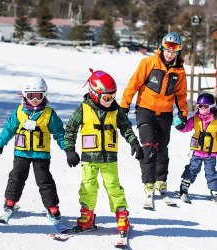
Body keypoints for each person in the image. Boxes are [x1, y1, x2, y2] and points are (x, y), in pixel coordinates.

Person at [64, 69, 143, 233]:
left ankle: (122, 216)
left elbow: (126, 128)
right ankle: (87, 217)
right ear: (94, 94)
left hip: (109, 159)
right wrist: (70, 150)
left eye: (113, 96)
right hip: (89, 158)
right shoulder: (83, 109)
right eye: (107, 97)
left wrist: (134, 142)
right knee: (88, 187)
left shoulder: (116, 110)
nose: (110, 100)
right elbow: (70, 129)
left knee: (114, 187)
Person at [120, 32, 188, 199]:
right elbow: (133, 84)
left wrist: (183, 114)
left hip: (165, 113)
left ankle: (160, 179)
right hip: (145, 110)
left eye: (175, 50)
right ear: (162, 47)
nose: (170, 53)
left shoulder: (179, 71)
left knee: (162, 147)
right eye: (168, 49)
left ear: (178, 51)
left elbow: (181, 95)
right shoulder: (149, 62)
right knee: (149, 145)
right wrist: (124, 106)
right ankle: (148, 182)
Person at [0, 76, 66, 226]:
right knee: (16, 177)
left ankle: (52, 207)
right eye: (31, 96)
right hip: (21, 153)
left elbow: (59, 133)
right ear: (24, 95)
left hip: (41, 155)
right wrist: (0, 142)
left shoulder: (49, 114)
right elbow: (9, 127)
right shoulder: (19, 111)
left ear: (44, 95)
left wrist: (68, 149)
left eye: (38, 96)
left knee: (45, 182)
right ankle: (10, 202)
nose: (34, 100)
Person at [173, 93, 217, 203]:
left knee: (211, 172)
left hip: (211, 153)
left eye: (205, 106)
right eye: (199, 106)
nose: (202, 109)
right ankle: (184, 188)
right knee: (192, 169)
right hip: (197, 152)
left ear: (211, 106)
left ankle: (214, 191)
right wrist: (180, 125)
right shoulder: (195, 119)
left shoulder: (216, 120)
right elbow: (186, 128)